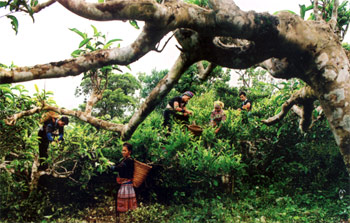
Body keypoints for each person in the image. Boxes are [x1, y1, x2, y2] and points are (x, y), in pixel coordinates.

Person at [110, 142, 137, 215]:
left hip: (126, 184)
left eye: (125, 150)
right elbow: (119, 166)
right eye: (122, 150)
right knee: (126, 203)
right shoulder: (125, 160)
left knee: (125, 204)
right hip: (125, 183)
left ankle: (124, 217)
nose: (123, 152)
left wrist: (112, 167)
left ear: (129, 152)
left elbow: (119, 167)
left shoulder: (129, 160)